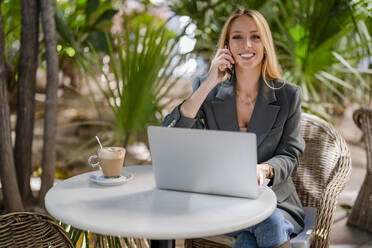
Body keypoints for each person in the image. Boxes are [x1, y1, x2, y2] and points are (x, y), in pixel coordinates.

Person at [163, 8, 305, 248]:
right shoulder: (206, 88)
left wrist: (266, 169)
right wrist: (210, 82)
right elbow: (172, 135)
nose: (246, 45)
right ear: (227, 45)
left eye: (255, 36)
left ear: (265, 43)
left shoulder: (288, 95)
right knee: (268, 223)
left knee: (258, 231)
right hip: (223, 202)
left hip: (276, 202)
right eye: (237, 37)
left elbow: (291, 153)